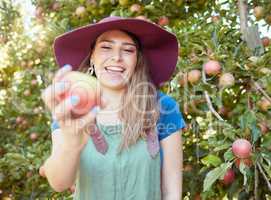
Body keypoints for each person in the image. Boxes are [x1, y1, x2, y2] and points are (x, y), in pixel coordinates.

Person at [41, 16, 186, 200]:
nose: (116, 57)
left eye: (127, 50)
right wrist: (71, 143)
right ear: (92, 55)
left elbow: (172, 192)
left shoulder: (163, 108)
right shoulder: (73, 106)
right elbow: (59, 183)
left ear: (137, 60)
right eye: (106, 47)